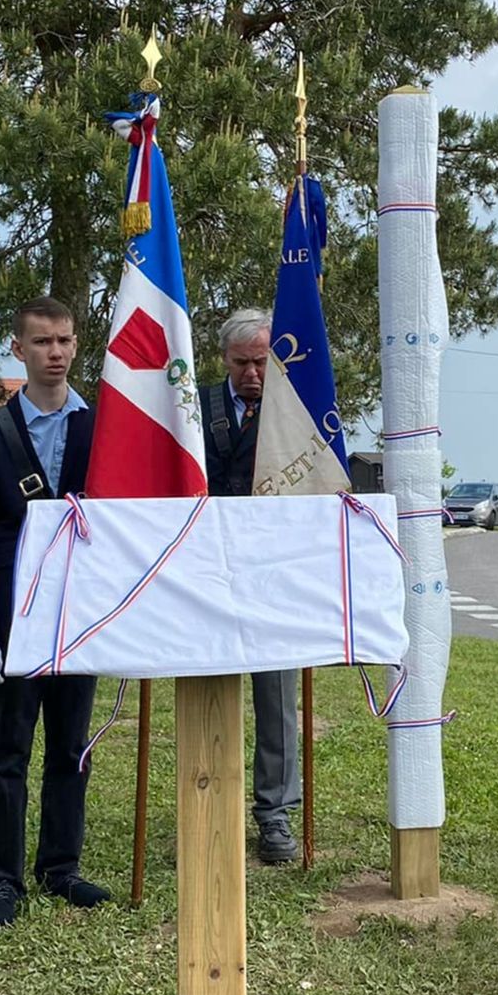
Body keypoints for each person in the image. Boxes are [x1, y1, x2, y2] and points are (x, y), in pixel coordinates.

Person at [0, 296, 105, 928]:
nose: (56, 353)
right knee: (10, 750)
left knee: (71, 748)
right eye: (42, 342)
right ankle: (3, 877)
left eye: (65, 340)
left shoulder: (102, 428)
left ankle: (61, 866)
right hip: (15, 618)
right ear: (18, 349)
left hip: (78, 616)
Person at [198, 309, 302, 865]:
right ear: (225, 360)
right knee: (208, 691)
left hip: (272, 574)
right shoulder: (196, 407)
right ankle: (207, 801)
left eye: (261, 362)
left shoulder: (295, 413)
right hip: (209, 570)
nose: (252, 374)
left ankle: (275, 813)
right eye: (241, 363)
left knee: (277, 698)